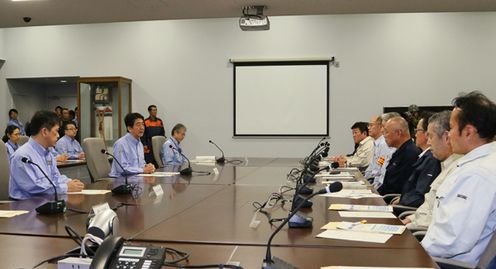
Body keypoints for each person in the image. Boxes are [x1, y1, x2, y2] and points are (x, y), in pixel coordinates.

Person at [422, 92, 496, 266]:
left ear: (469, 131)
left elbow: (451, 241)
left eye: (452, 128)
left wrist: (412, 251)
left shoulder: (478, 174)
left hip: (445, 263)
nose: (449, 135)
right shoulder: (476, 163)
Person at [402, 111, 462, 230]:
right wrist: (412, 218)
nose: (428, 142)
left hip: (422, 233)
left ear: (446, 138)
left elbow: (440, 219)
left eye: (430, 136)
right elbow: (429, 205)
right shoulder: (445, 165)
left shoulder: (458, 169)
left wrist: (410, 225)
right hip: (417, 225)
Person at [9, 110, 85, 200]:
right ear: (44, 131)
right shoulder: (23, 156)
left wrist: (71, 182)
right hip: (26, 206)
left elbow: (55, 177)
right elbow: (35, 188)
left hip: (46, 202)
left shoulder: (48, 153)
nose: (58, 136)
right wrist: (66, 187)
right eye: (56, 131)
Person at [391, 114, 441, 207]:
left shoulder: (431, 159)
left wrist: (403, 199)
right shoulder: (423, 156)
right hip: (405, 205)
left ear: (427, 134)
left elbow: (420, 196)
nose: (415, 134)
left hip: (409, 209)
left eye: (418, 130)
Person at [378, 116, 421, 195]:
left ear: (398, 133)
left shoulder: (410, 154)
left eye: (386, 132)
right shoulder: (399, 151)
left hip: (392, 200)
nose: (384, 135)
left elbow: (396, 186)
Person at [109, 112, 156, 177]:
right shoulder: (120, 144)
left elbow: (140, 164)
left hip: (136, 179)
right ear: (129, 128)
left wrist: (147, 166)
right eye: (138, 125)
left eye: (143, 124)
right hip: (120, 181)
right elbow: (122, 169)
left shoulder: (139, 143)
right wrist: (143, 170)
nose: (142, 128)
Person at [364, 114, 396, 188]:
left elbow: (379, 170)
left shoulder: (383, 144)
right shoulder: (377, 143)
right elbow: (374, 166)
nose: (368, 128)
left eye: (371, 125)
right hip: (374, 182)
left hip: (379, 185)